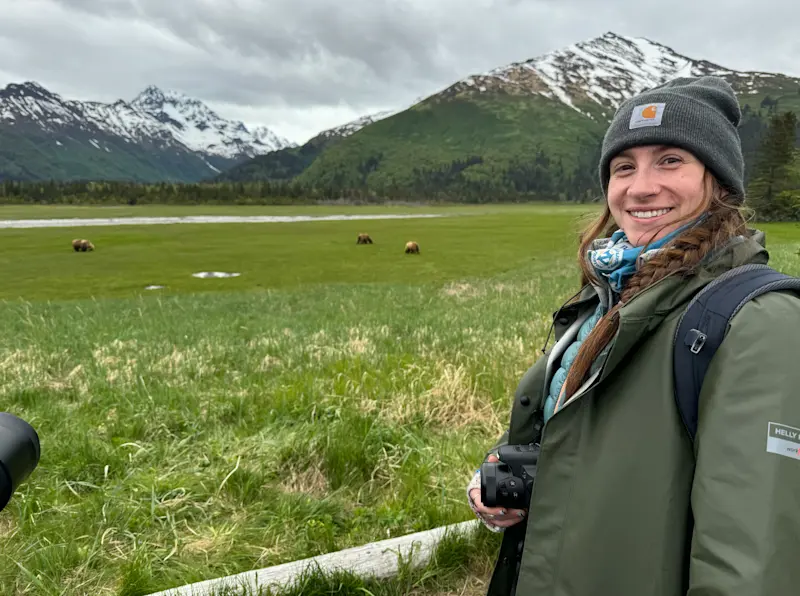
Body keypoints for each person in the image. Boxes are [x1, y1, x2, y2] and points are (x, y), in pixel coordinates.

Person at [466, 75, 800, 595]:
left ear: (719, 183)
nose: (641, 187)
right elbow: (589, 439)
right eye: (625, 167)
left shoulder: (756, 319)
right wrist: (507, 479)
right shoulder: (605, 297)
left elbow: (749, 563)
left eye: (670, 160)